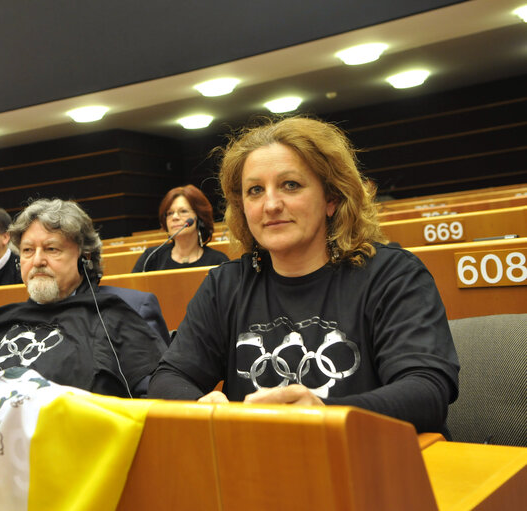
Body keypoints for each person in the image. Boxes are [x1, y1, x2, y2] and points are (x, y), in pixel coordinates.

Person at [148, 117, 460, 434]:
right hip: (258, 470)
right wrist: (200, 407)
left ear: (332, 198)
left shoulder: (393, 275)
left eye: (291, 185)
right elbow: (168, 377)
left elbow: (426, 392)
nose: (270, 204)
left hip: (372, 464)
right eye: (255, 190)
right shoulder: (225, 285)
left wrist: (323, 414)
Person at [0, 198, 166, 398]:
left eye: (52, 249)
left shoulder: (126, 311)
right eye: (27, 250)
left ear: (84, 257)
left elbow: (155, 402)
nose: (37, 261)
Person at [132, 184, 229, 272]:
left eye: (183, 211)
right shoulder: (151, 257)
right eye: (170, 213)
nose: (174, 217)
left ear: (199, 218)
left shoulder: (218, 261)